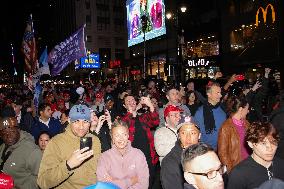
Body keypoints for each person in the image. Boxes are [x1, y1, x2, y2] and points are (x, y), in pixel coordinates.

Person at [37, 104, 101, 189]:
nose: (81, 126)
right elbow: (42, 181)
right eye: (77, 121)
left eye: (85, 121)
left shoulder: (95, 140)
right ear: (70, 120)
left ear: (90, 122)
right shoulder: (56, 142)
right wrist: (68, 165)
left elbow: (97, 171)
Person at [227, 122, 284, 189]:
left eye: (273, 142)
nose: (270, 149)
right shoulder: (239, 174)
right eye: (263, 143)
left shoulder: (281, 164)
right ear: (251, 144)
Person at [96, 120, 149, 189]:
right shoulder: (105, 157)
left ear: (128, 135)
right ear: (112, 137)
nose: (121, 138)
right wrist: (131, 181)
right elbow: (103, 185)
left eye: (124, 134)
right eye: (117, 135)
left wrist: (113, 182)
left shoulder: (138, 154)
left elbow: (144, 184)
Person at [122, 95, 159, 188]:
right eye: (128, 101)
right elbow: (125, 127)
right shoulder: (122, 120)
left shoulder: (143, 117)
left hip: (149, 158)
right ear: (124, 106)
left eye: (133, 99)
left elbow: (155, 122)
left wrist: (150, 105)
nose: (131, 101)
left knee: (149, 183)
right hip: (133, 161)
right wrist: (131, 112)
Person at [0, 117, 42, 189]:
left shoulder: (32, 151)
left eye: (12, 131)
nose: (8, 136)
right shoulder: (3, 146)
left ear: (18, 130)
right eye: (4, 133)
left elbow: (41, 179)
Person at [160, 118, 201, 189]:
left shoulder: (206, 156)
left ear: (199, 136)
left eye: (192, 133)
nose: (188, 138)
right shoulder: (170, 162)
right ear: (178, 136)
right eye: (183, 133)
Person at [218, 96, 250, 172]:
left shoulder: (247, 124)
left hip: (249, 164)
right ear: (241, 109)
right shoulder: (226, 127)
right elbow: (223, 154)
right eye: (247, 109)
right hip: (237, 167)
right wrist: (231, 171)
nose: (248, 111)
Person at [194, 82, 226, 150]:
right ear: (209, 94)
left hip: (222, 148)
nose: (220, 95)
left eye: (220, 93)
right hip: (206, 151)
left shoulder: (223, 109)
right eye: (217, 93)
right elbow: (196, 135)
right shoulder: (200, 113)